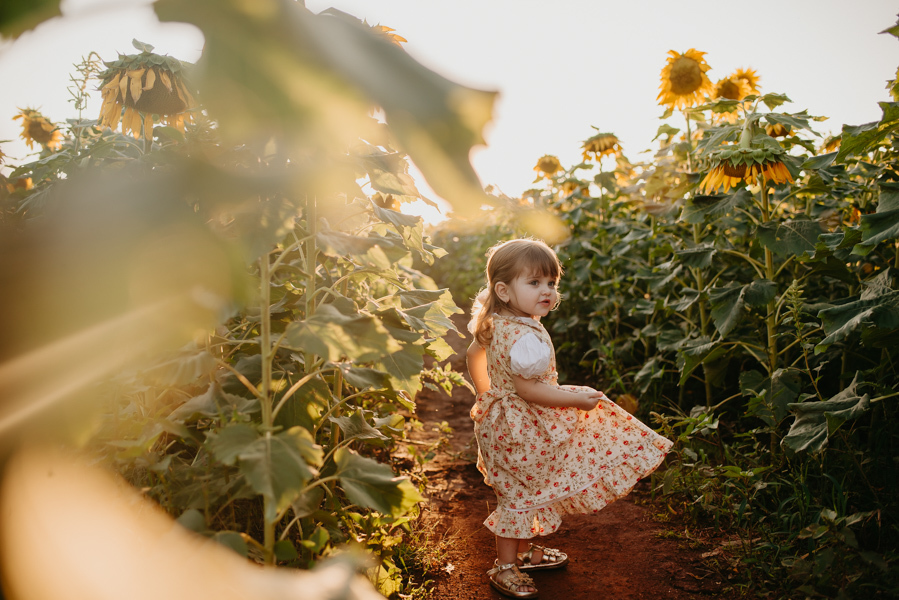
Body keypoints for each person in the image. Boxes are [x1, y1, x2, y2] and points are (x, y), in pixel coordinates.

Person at [466, 238, 673, 599]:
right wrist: (574, 400)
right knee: (518, 493)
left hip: (506, 422)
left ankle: (526, 554)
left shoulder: (498, 322)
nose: (547, 291)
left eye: (551, 283)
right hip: (521, 425)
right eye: (534, 283)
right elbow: (531, 391)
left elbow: (474, 355)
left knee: (528, 485)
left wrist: (488, 395)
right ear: (504, 289)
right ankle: (505, 567)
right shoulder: (522, 336)